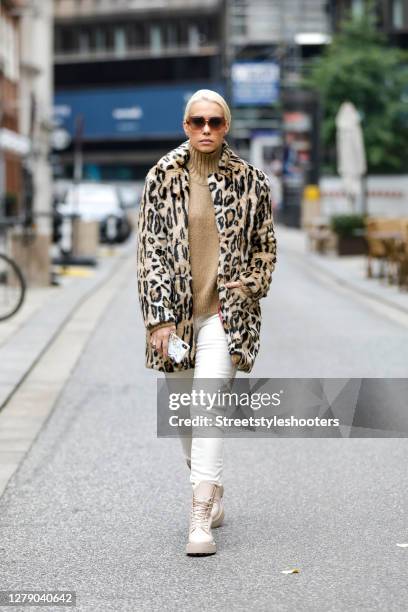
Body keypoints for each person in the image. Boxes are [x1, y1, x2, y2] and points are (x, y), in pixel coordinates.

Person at [136, 89, 277, 556]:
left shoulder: (250, 181)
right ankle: (211, 489)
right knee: (184, 417)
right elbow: (151, 251)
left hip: (226, 315)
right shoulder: (162, 176)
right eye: (197, 121)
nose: (206, 130)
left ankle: (199, 518)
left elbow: (265, 247)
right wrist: (158, 320)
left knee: (207, 407)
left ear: (226, 126)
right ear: (185, 126)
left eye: (215, 122)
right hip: (176, 319)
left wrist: (250, 284)